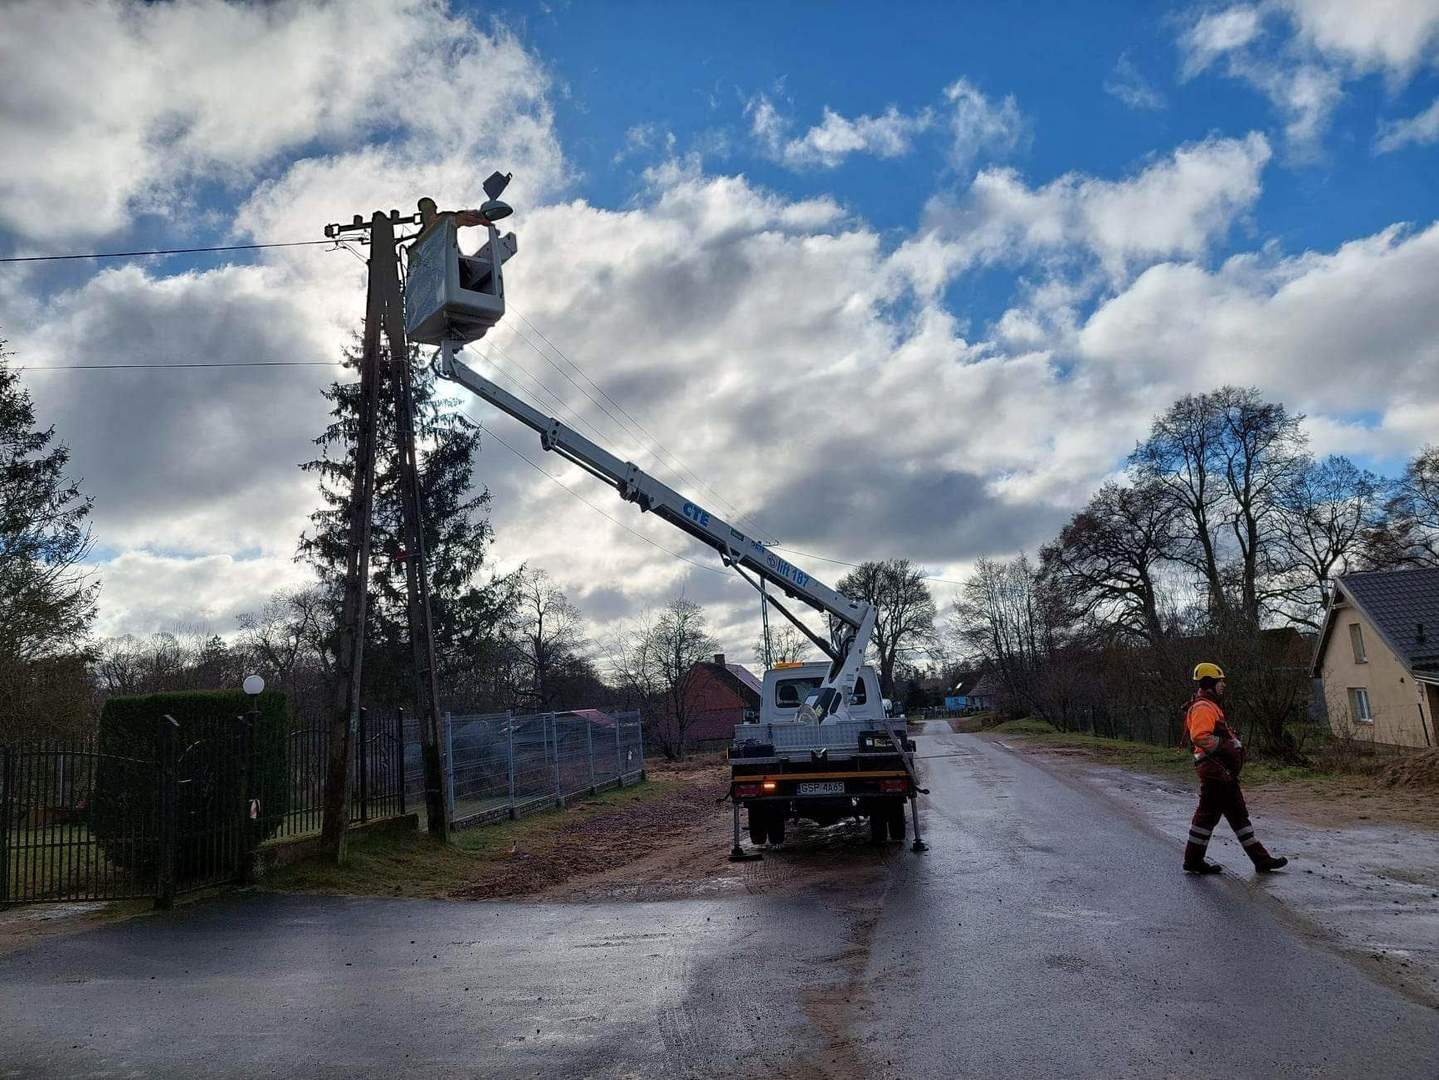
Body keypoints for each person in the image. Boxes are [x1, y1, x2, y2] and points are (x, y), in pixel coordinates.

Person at [1182, 662, 1288, 875]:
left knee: (1224, 816)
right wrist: (1227, 746)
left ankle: (1258, 860)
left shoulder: (1209, 705)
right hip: (1217, 773)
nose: (1223, 685)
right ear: (1210, 682)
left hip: (1219, 773)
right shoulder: (1203, 707)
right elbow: (1199, 736)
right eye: (1220, 681)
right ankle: (1259, 860)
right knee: (1223, 816)